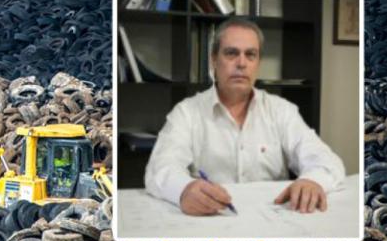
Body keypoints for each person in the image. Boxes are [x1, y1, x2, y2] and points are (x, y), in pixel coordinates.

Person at [144, 17, 345, 216]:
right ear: (214, 60)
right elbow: (160, 168)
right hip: (211, 220)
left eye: (250, 55)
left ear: (258, 63)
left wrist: (312, 181)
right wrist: (184, 189)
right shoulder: (187, 112)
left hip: (273, 221)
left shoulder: (281, 111)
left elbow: (326, 160)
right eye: (231, 53)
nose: (241, 63)